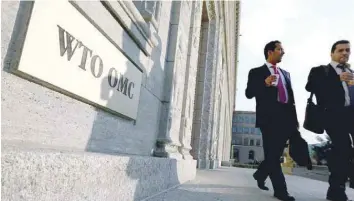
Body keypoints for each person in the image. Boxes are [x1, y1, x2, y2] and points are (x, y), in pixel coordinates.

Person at [246, 40, 298, 201]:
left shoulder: (286, 74)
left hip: (285, 120)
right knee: (273, 155)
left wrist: (294, 121)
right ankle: (281, 190)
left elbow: (290, 99)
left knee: (274, 154)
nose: (283, 52)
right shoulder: (256, 72)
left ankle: (260, 174)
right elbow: (249, 93)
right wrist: (264, 83)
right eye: (280, 49)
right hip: (268, 119)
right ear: (270, 52)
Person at [305, 40, 353, 201]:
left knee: (344, 151)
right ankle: (336, 188)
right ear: (332, 53)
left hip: (351, 116)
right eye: (341, 50)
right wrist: (338, 79)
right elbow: (311, 86)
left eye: (348, 50)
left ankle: (340, 184)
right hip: (332, 116)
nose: (345, 53)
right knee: (343, 147)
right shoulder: (321, 71)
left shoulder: (351, 73)